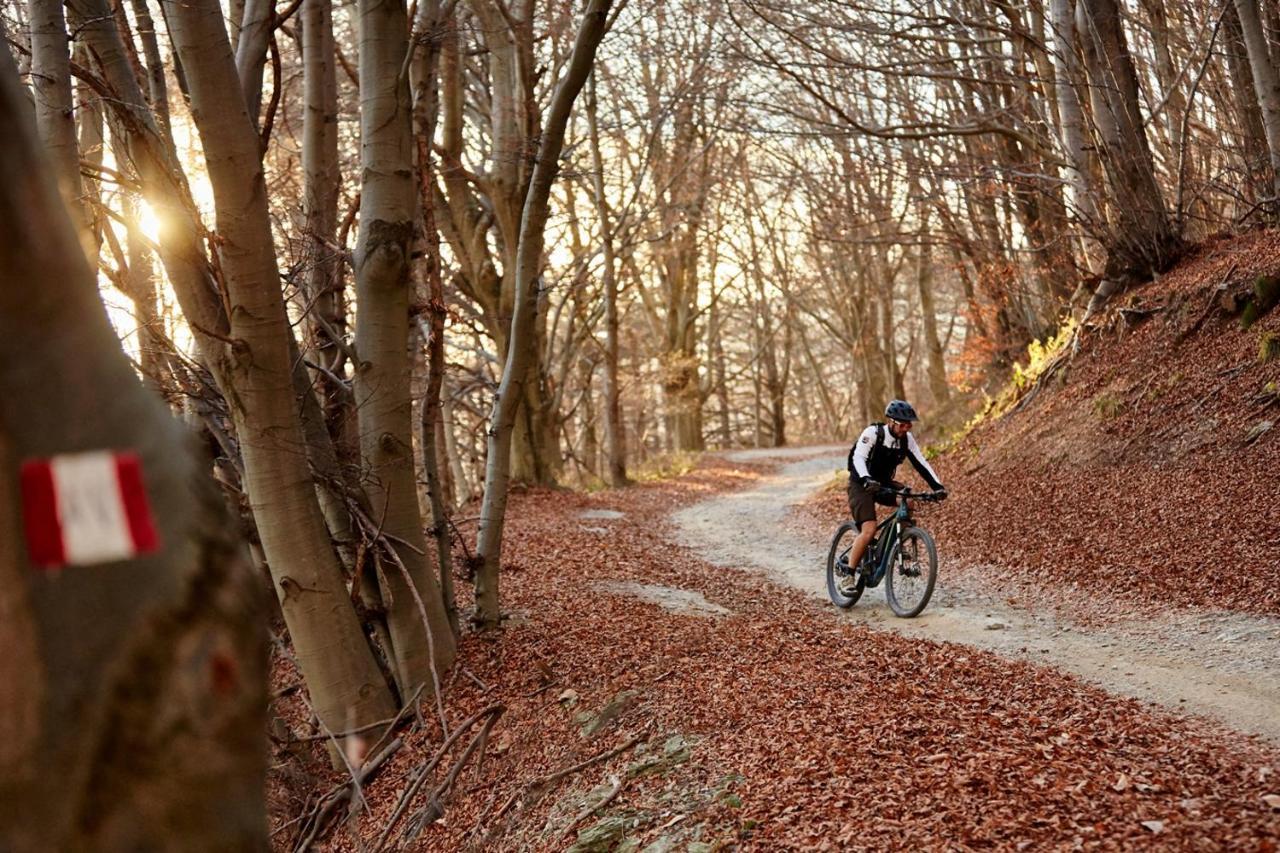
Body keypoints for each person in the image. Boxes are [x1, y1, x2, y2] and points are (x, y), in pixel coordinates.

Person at [841, 399, 947, 592]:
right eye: (903, 424)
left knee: (909, 502)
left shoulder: (906, 439)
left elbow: (920, 462)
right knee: (869, 528)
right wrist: (865, 479)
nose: (906, 428)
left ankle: (894, 541)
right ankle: (848, 576)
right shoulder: (873, 433)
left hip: (883, 484)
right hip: (861, 484)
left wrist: (937, 487)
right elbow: (858, 458)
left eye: (909, 425)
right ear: (891, 421)